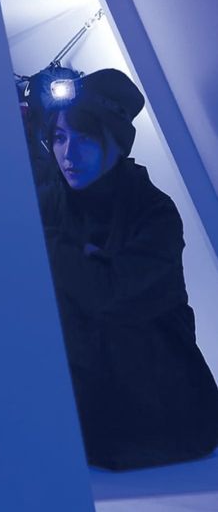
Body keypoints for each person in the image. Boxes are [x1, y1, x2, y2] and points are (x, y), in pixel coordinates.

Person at [25, 67, 218, 471]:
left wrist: (51, 247)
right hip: (78, 414)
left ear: (117, 142)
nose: (68, 154)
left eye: (85, 138)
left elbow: (107, 295)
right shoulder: (48, 203)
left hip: (163, 418)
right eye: (59, 138)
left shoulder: (155, 213)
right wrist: (80, 258)